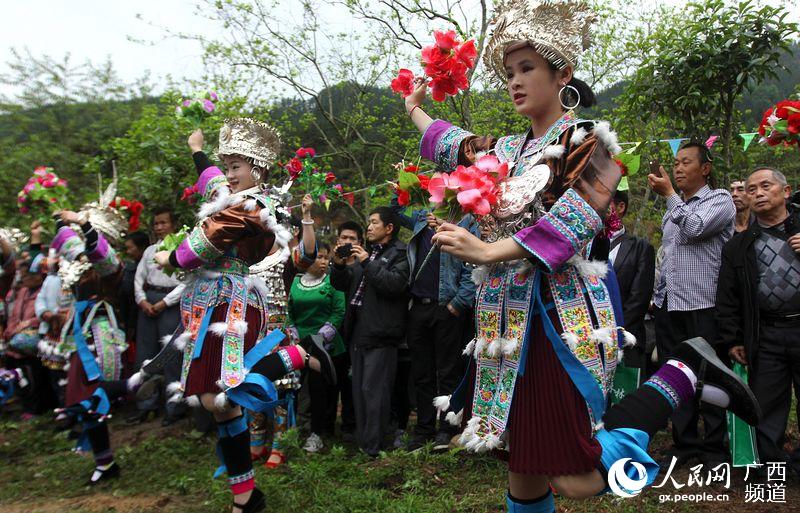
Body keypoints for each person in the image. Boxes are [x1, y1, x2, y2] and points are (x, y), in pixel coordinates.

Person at [401, 2, 760, 511]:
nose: (516, 81)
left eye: (528, 68)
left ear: (561, 74)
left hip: (558, 318)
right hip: (502, 326)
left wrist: (485, 249)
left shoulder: (587, 140)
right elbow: (451, 143)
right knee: (524, 471)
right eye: (509, 72)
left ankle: (684, 374)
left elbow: (573, 223)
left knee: (575, 477)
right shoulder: (505, 149)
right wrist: (414, 107)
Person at [147, 119, 335, 513]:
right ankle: (247, 497)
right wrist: (197, 150)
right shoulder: (232, 195)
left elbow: (204, 242)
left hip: (231, 305)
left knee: (225, 392)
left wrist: (171, 257)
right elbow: (211, 181)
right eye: (228, 165)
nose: (229, 174)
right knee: (214, 400)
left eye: (237, 167)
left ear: (258, 170)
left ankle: (295, 356)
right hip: (206, 305)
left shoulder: (255, 206)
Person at [648, 141, 735, 468]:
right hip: (671, 305)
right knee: (676, 375)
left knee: (710, 376)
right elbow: (669, 256)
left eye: (686, 162)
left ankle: (714, 450)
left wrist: (670, 194)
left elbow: (696, 228)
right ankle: (684, 444)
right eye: (676, 162)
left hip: (704, 305)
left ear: (706, 168)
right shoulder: (675, 208)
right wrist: (657, 298)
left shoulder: (720, 199)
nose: (678, 168)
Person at [716, 167, 800, 477]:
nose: (758, 193)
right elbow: (728, 297)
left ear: (786, 191)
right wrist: (733, 338)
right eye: (751, 189)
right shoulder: (739, 244)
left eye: (766, 186)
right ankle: (772, 465)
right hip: (766, 333)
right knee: (768, 401)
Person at [389, 199, 477, 451]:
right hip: (418, 307)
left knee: (447, 370)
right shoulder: (420, 218)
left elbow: (474, 264)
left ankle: (446, 428)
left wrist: (458, 303)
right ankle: (424, 429)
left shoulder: (466, 223)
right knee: (421, 372)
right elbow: (394, 212)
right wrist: (402, 189)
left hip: (446, 307)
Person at [330, 207, 409, 457]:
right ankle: (365, 443)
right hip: (358, 332)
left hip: (382, 333)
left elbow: (395, 285)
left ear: (389, 228)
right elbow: (341, 284)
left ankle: (373, 448)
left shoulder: (401, 254)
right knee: (359, 392)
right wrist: (339, 265)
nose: (369, 227)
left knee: (374, 391)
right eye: (369, 223)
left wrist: (366, 262)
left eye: (374, 223)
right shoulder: (365, 254)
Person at [287, 242, 346, 452]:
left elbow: (339, 311)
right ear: (306, 260)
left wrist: (319, 340)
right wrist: (293, 335)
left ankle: (317, 434)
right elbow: (288, 311)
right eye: (319, 257)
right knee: (294, 388)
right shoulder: (294, 282)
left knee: (319, 390)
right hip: (297, 343)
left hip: (325, 344)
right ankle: (293, 430)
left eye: (326, 257)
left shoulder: (333, 280)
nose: (324, 261)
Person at [130, 208, 186, 426]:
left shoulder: (182, 249)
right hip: (148, 303)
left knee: (171, 355)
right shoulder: (150, 251)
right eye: (156, 223)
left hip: (170, 304)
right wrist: (142, 300)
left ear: (173, 224)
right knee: (146, 353)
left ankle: (175, 407)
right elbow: (138, 278)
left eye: (164, 222)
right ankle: (146, 404)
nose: (160, 227)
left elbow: (186, 282)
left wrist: (165, 303)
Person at [608, 190, 655, 371]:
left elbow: (639, 298)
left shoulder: (641, 248)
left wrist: (616, 333)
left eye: (607, 201)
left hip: (625, 339)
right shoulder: (586, 243)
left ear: (621, 207)